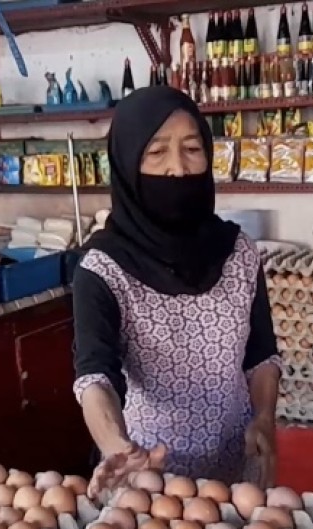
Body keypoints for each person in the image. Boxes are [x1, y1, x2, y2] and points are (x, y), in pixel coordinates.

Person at [71, 86, 280, 495]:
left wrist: (265, 417)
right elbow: (95, 375)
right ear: (128, 164)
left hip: (235, 466)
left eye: (191, 149)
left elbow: (261, 354)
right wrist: (116, 448)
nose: (178, 170)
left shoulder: (237, 251)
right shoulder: (102, 267)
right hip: (145, 473)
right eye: (156, 153)